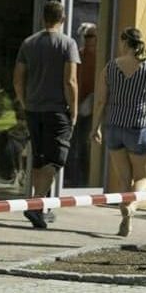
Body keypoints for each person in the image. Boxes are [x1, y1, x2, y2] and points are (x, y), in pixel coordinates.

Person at [91, 27, 146, 236]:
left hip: (114, 127)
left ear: (124, 42)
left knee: (124, 179)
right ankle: (131, 207)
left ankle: (126, 220)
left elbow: (100, 101)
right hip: (139, 128)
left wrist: (95, 127)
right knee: (143, 178)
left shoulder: (110, 67)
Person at [13, 0, 80, 229]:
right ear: (62, 19)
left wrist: (24, 101)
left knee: (40, 158)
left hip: (34, 109)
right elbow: (70, 81)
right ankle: (35, 204)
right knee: (56, 159)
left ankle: (39, 207)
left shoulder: (29, 43)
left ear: (43, 18)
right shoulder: (67, 44)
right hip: (57, 109)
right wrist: (74, 110)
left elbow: (18, 77)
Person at [66, 22, 98, 187]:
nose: (87, 39)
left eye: (90, 36)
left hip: (92, 107)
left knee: (85, 145)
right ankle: (72, 178)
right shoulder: (78, 55)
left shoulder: (101, 57)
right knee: (72, 144)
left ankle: (84, 180)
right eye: (85, 36)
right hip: (75, 105)